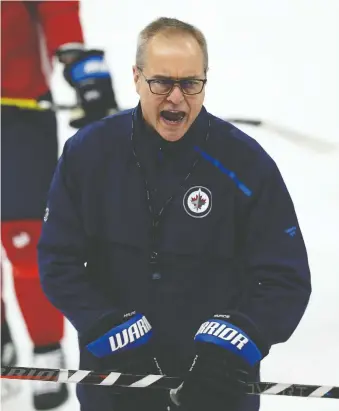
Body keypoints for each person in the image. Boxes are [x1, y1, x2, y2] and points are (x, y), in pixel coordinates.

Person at [37, 17, 312, 411]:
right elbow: (58, 261)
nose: (176, 98)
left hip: (217, 389)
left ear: (205, 80)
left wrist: (231, 348)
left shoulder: (247, 164)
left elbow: (285, 279)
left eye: (190, 83)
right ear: (135, 77)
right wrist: (112, 332)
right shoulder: (88, 154)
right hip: (116, 381)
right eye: (161, 81)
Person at [1, 1, 119, 409]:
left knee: (24, 241)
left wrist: (79, 63)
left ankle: (45, 347)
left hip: (18, 108)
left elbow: (56, 8)